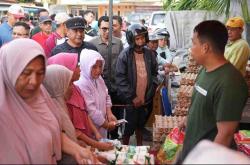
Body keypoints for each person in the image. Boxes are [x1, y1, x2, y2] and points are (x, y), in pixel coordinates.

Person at [0, 38, 95, 164]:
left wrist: (77, 150)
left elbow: (53, 133)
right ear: (9, 69)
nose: (34, 81)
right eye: (26, 73)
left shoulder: (40, 97)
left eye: (40, 73)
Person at [178, 20, 248, 162]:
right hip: (191, 152)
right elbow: (202, 103)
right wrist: (189, 119)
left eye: (193, 43)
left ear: (205, 48)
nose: (191, 49)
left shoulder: (230, 82)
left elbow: (225, 135)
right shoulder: (205, 70)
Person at [47, 53, 114, 151]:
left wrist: (96, 133)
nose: (80, 69)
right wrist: (97, 143)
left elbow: (85, 113)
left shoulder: (76, 88)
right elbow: (75, 130)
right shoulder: (64, 95)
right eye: (76, 66)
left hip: (88, 139)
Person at [116, 24, 158, 145]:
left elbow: (154, 73)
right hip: (130, 101)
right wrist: (132, 97)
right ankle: (124, 150)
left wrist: (151, 91)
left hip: (145, 99)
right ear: (131, 40)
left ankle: (140, 148)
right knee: (128, 128)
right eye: (137, 39)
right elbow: (120, 78)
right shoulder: (125, 55)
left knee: (141, 125)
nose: (141, 41)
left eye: (143, 38)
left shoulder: (149, 54)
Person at [90, 16, 123, 139]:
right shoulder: (92, 43)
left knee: (116, 114)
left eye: (109, 29)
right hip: (98, 86)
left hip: (115, 87)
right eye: (104, 29)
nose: (107, 32)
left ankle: (115, 139)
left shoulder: (118, 42)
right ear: (98, 28)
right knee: (100, 115)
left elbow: (122, 64)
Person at [75, 49, 117, 138]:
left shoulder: (98, 79)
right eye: (94, 67)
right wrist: (106, 125)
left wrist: (109, 113)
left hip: (102, 125)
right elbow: (91, 111)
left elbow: (106, 95)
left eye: (100, 66)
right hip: (91, 128)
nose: (98, 70)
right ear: (86, 66)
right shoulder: (82, 83)